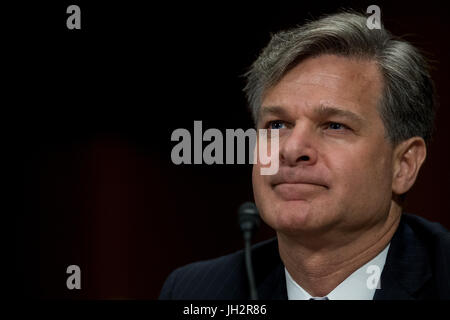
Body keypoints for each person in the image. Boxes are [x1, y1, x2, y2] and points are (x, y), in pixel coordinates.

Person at [159, 11, 450, 300]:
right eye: (277, 125)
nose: (292, 149)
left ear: (404, 165)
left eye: (335, 126)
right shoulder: (195, 291)